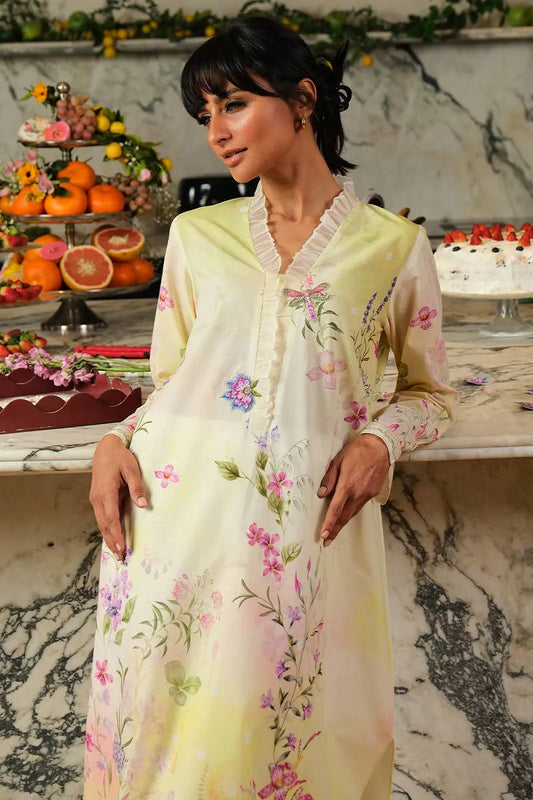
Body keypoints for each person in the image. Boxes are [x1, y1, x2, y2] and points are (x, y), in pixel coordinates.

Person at [85, 15, 456, 800]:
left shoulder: (393, 247)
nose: (215, 132)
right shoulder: (196, 236)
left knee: (296, 742)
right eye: (205, 114)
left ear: (302, 99)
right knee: (166, 752)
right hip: (170, 526)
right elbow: (173, 384)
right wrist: (116, 439)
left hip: (300, 539)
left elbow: (430, 394)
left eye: (233, 104)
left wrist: (379, 443)